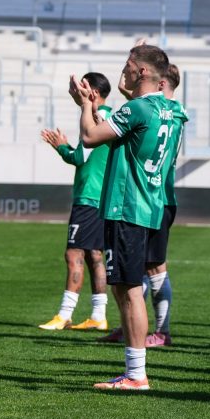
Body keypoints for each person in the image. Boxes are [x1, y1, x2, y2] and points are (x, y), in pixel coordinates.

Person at [73, 44, 173, 391]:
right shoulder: (167, 108)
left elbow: (89, 137)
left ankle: (136, 374)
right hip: (147, 205)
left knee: (130, 291)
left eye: (128, 65)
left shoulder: (137, 109)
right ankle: (133, 371)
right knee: (125, 288)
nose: (124, 70)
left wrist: (85, 105)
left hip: (126, 206)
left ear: (142, 71)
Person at [38, 73, 112, 332]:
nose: (74, 91)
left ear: (92, 92)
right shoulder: (109, 117)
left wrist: (61, 147)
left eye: (80, 86)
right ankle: (99, 315)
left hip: (88, 198)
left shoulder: (96, 118)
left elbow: (79, 157)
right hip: (102, 198)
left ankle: (65, 314)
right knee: (94, 255)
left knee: (74, 253)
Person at [141, 64, 188, 347]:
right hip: (153, 197)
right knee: (139, 265)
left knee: (155, 266)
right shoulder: (175, 112)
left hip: (157, 198)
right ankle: (131, 324)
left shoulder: (165, 111)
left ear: (161, 83)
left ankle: (162, 331)